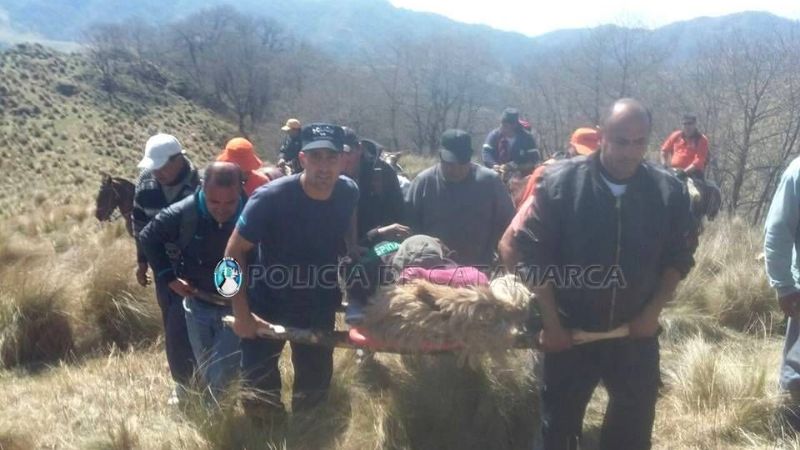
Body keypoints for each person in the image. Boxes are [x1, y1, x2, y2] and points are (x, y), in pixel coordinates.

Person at [504, 99, 695, 449]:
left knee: (632, 432)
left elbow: (678, 257)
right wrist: (552, 324)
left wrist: (650, 315)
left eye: (640, 142)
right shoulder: (561, 185)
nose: (631, 152)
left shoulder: (667, 191)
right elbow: (532, 255)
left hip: (635, 334)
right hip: (571, 332)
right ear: (602, 134)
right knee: (557, 430)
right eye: (622, 141)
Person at [225, 123, 359, 416]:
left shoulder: (348, 192)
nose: (324, 166)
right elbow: (231, 255)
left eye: (331, 157)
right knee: (258, 395)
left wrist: (354, 257)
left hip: (318, 305)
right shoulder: (270, 199)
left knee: (313, 396)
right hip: (266, 304)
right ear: (302, 159)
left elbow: (349, 231)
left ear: (343, 160)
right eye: (316, 157)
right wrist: (240, 312)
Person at [139, 162, 244, 401]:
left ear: (240, 191)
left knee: (221, 371)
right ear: (202, 190)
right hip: (198, 304)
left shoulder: (252, 213)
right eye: (214, 202)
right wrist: (168, 277)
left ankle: (214, 420)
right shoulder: (183, 213)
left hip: (237, 306)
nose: (222, 209)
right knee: (206, 366)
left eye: (230, 202)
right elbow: (148, 237)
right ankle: (215, 419)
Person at [132, 133, 199, 405]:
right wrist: (142, 261)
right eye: (153, 166)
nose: (156, 171)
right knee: (174, 327)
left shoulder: (202, 184)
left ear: (179, 159)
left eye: (161, 165)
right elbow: (140, 226)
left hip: (200, 269)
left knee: (207, 323)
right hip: (164, 270)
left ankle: (214, 379)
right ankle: (184, 384)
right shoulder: (146, 184)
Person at [405, 129, 514, 268]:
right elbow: (409, 227)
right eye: (450, 164)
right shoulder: (423, 183)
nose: (456, 170)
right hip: (432, 269)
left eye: (462, 164)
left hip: (479, 269)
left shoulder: (489, 182)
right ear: (441, 157)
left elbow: (508, 224)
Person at [764, 155, 800, 430]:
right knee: (797, 370)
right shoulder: (798, 171)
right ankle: (790, 426)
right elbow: (778, 227)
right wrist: (784, 285)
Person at [341, 127, 408, 245]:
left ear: (359, 149)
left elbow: (398, 216)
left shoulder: (383, 173)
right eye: (336, 154)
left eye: (347, 153)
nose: (342, 159)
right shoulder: (327, 177)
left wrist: (377, 233)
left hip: (379, 250)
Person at [517, 127, 601, 209]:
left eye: (590, 157)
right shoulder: (545, 172)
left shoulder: (598, 181)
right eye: (580, 154)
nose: (583, 160)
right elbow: (526, 212)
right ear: (571, 148)